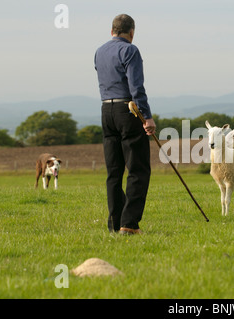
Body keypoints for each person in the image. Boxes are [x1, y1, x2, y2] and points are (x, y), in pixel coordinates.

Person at [94, 14, 156, 235]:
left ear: (112, 31)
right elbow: (136, 87)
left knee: (114, 171)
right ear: (132, 32)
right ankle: (129, 224)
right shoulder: (130, 50)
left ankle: (115, 224)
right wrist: (147, 117)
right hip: (127, 110)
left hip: (106, 110)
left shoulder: (99, 51)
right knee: (138, 168)